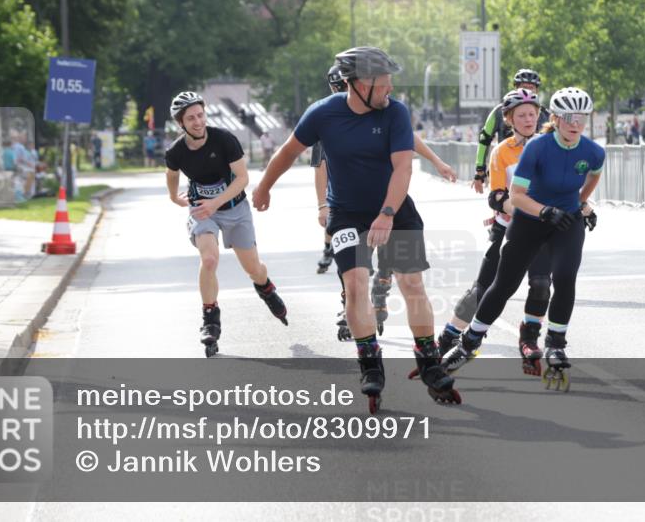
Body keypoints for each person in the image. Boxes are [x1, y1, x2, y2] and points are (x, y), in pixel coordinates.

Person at [253, 46, 461, 413]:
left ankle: (428, 360)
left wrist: (386, 214)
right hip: (347, 214)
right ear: (359, 84)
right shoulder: (323, 114)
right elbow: (287, 152)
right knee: (355, 283)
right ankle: (370, 360)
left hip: (395, 210)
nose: (390, 88)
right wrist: (264, 186)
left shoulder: (395, 112)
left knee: (411, 282)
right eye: (383, 83)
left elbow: (402, 169)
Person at [443, 87, 605, 387]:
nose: (576, 124)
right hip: (530, 220)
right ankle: (470, 341)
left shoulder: (593, 151)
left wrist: (581, 203)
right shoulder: (537, 148)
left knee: (564, 278)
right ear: (555, 119)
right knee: (503, 284)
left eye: (582, 118)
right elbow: (516, 196)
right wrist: (544, 212)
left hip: (566, 221)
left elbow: (594, 174)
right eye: (569, 117)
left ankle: (555, 343)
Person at [435, 89, 555, 375]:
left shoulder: (549, 146)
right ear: (509, 120)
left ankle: (529, 340)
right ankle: (448, 337)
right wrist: (529, 209)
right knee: (484, 288)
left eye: (532, 114)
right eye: (521, 115)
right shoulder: (502, 152)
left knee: (540, 285)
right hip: (509, 228)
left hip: (541, 231)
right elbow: (497, 196)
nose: (528, 119)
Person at [164, 91, 288, 358]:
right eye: (191, 118)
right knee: (209, 259)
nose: (198, 122)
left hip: (234, 208)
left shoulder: (224, 139)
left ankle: (265, 288)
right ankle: (210, 319)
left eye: (200, 115)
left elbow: (242, 178)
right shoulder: (176, 151)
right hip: (202, 210)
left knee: (253, 268)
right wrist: (174, 197)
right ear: (181, 124)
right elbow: (171, 173)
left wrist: (216, 202)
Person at [472, 69, 550, 194]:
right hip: (505, 165)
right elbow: (484, 139)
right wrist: (479, 170)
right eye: (524, 87)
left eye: (532, 88)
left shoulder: (545, 114)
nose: (528, 91)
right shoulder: (500, 111)